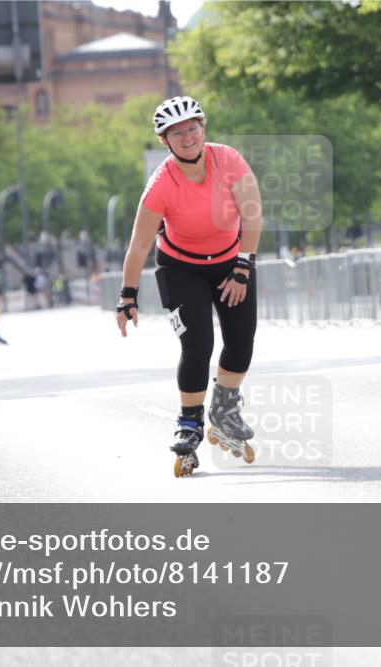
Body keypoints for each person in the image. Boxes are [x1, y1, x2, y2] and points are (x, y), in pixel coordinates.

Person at [116, 96, 263, 478]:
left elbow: (253, 213)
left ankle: (225, 409)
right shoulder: (161, 184)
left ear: (204, 128)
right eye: (176, 132)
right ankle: (190, 422)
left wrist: (244, 267)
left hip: (233, 260)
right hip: (181, 268)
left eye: (192, 128)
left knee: (242, 340)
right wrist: (126, 295)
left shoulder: (228, 160)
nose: (186, 136)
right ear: (165, 141)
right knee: (198, 343)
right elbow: (140, 244)